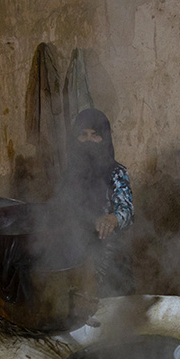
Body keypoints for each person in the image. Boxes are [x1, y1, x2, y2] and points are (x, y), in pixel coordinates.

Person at [56, 108, 135, 296]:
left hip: (108, 254)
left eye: (95, 135)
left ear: (105, 139)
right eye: (83, 135)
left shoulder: (116, 173)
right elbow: (60, 207)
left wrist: (112, 218)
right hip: (75, 251)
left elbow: (127, 210)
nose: (89, 141)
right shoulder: (70, 174)